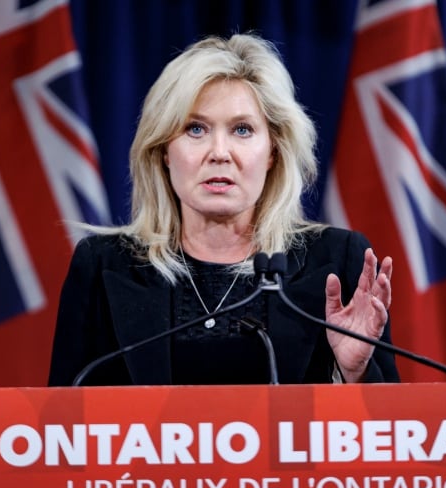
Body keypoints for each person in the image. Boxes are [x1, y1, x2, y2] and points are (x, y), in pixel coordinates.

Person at [48, 33, 399, 387]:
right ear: (164, 151)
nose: (219, 152)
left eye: (242, 130)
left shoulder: (335, 262)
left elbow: (389, 433)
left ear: (273, 151)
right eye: (195, 129)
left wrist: (356, 372)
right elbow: (62, 430)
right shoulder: (103, 267)